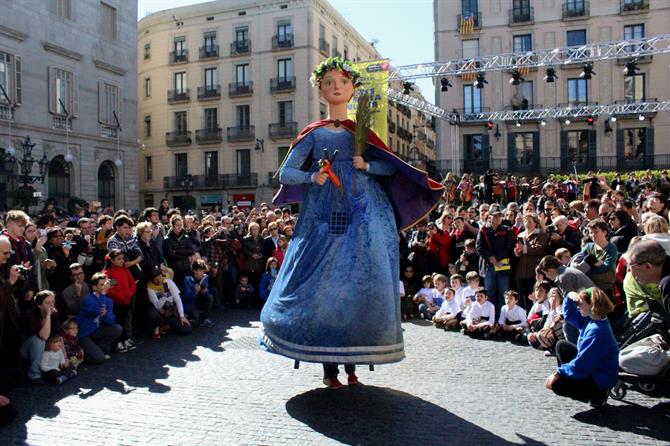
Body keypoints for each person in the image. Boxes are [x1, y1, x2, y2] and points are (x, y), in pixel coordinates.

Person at [260, 56, 443, 389]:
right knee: (324, 290)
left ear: (352, 88)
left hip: (361, 218)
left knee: (356, 290)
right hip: (323, 221)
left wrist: (366, 165)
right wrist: (312, 175)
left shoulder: (362, 133)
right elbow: (285, 173)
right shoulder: (312, 134)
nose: (336, 87)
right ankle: (330, 368)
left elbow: (389, 168)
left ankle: (352, 361)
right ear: (321, 88)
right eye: (329, 82)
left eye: (342, 82)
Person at [545, 288, 618, 407]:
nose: (577, 307)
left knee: (558, 385)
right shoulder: (591, 319)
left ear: (591, 305)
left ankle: (598, 395)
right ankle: (575, 380)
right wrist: (569, 297)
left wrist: (558, 374)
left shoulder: (597, 331)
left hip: (601, 378)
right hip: (595, 367)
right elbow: (569, 315)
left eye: (580, 304)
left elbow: (583, 364)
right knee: (561, 345)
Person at [76, 273, 123, 364]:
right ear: (94, 287)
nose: (105, 286)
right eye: (102, 284)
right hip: (84, 334)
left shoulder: (108, 301)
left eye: (105, 284)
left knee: (117, 329)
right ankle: (84, 352)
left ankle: (95, 349)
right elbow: (94, 309)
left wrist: (106, 315)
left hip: (96, 331)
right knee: (99, 358)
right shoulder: (88, 298)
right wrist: (104, 294)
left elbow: (110, 321)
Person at [475, 210, 514, 317]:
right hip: (488, 265)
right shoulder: (483, 230)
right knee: (489, 294)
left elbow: (509, 246)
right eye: (495, 216)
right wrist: (491, 258)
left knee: (504, 294)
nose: (497, 218)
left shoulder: (507, 230)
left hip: (503, 265)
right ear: (489, 217)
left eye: (499, 216)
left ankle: (502, 318)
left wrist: (497, 258)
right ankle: (490, 317)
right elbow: (479, 247)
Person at [19, 290, 60, 385]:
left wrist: (65, 357)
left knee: (54, 341)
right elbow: (44, 336)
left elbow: (57, 335)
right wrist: (48, 316)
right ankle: (34, 374)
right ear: (39, 305)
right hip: (26, 349)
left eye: (53, 302)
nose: (51, 305)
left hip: (42, 349)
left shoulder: (55, 313)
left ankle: (47, 371)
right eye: (47, 302)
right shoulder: (30, 315)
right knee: (39, 341)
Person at [103, 249, 138, 353]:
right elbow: (108, 288)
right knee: (117, 321)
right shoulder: (108, 272)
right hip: (115, 302)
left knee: (125, 320)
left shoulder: (125, 270)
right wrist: (119, 295)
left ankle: (126, 339)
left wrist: (130, 293)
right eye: (118, 259)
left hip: (127, 300)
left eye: (122, 259)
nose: (122, 261)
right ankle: (118, 341)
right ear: (112, 260)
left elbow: (132, 283)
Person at [514, 213, 549, 310]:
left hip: (532, 272)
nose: (527, 223)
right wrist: (516, 252)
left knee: (532, 297)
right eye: (525, 221)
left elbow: (539, 249)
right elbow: (517, 250)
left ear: (535, 223)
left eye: (530, 221)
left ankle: (533, 317)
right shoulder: (520, 235)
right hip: (520, 272)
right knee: (521, 297)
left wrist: (524, 248)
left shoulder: (541, 234)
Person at [146, 269, 192, 339]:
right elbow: (157, 306)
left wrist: (181, 316)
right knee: (154, 315)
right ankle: (161, 326)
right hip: (160, 312)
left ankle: (168, 326)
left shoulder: (167, 282)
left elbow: (177, 299)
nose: (159, 281)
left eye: (160, 278)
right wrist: (164, 296)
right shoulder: (150, 288)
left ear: (162, 275)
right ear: (152, 280)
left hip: (170, 309)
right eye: (156, 280)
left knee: (187, 329)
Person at [182, 260, 215, 327]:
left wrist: (205, 290)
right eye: (200, 270)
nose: (202, 273)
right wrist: (195, 291)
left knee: (209, 297)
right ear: (194, 271)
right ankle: (190, 317)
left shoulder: (205, 277)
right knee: (195, 317)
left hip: (198, 300)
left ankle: (204, 318)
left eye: (203, 271)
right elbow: (187, 298)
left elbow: (206, 289)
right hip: (189, 303)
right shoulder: (187, 280)